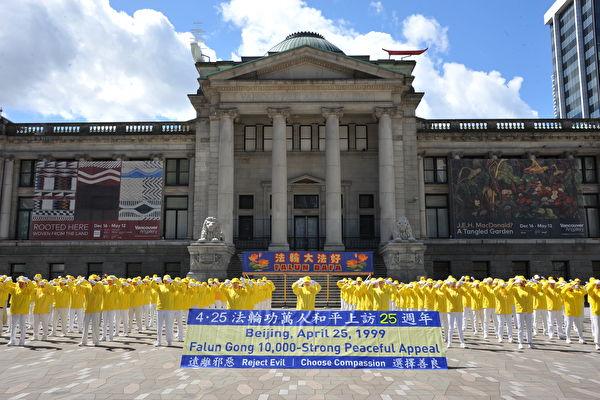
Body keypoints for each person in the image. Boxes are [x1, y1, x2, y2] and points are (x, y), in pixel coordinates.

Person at [5, 276, 34, 346]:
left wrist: (28, 280)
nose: (21, 284)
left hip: (23, 311)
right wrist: (7, 281)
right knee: (13, 326)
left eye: (22, 283)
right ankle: (12, 340)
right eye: (20, 283)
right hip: (15, 310)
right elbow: (6, 287)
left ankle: (22, 341)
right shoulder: (14, 289)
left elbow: (33, 287)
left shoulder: (27, 290)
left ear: (25, 284)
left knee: (22, 326)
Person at [508, 277, 535, 349]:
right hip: (520, 310)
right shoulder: (515, 289)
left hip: (529, 310)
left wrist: (535, 283)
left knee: (529, 327)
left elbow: (537, 292)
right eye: (521, 281)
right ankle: (520, 342)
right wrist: (513, 283)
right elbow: (508, 291)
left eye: (524, 281)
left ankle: (530, 342)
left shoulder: (528, 288)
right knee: (520, 327)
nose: (523, 282)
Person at [153, 275, 177, 347]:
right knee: (159, 326)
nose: (165, 281)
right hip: (160, 308)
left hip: (169, 309)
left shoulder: (172, 287)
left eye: (167, 280)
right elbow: (152, 286)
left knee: (168, 326)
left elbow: (176, 288)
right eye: (165, 280)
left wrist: (173, 281)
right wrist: (154, 280)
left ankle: (169, 341)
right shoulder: (160, 286)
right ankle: (159, 341)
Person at [80, 276, 104, 346]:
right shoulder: (87, 287)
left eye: (93, 280)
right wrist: (79, 283)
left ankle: (96, 341)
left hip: (96, 309)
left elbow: (101, 289)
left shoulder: (99, 286)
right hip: (87, 309)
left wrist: (96, 283)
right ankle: (83, 341)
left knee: (95, 326)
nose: (91, 282)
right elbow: (79, 289)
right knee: (85, 326)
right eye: (91, 281)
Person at [443, 277, 466, 348]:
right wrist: (445, 284)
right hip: (451, 311)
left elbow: (468, 291)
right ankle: (449, 343)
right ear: (450, 284)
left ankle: (462, 342)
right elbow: (441, 289)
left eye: (454, 283)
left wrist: (462, 285)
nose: (453, 284)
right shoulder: (447, 290)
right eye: (452, 283)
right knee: (451, 327)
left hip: (459, 311)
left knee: (459, 327)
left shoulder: (459, 290)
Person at [586, 278, 600, 350]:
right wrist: (594, 283)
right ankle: (597, 343)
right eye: (597, 285)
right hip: (596, 312)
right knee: (597, 328)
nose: (598, 286)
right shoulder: (593, 292)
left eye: (599, 285)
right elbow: (588, 289)